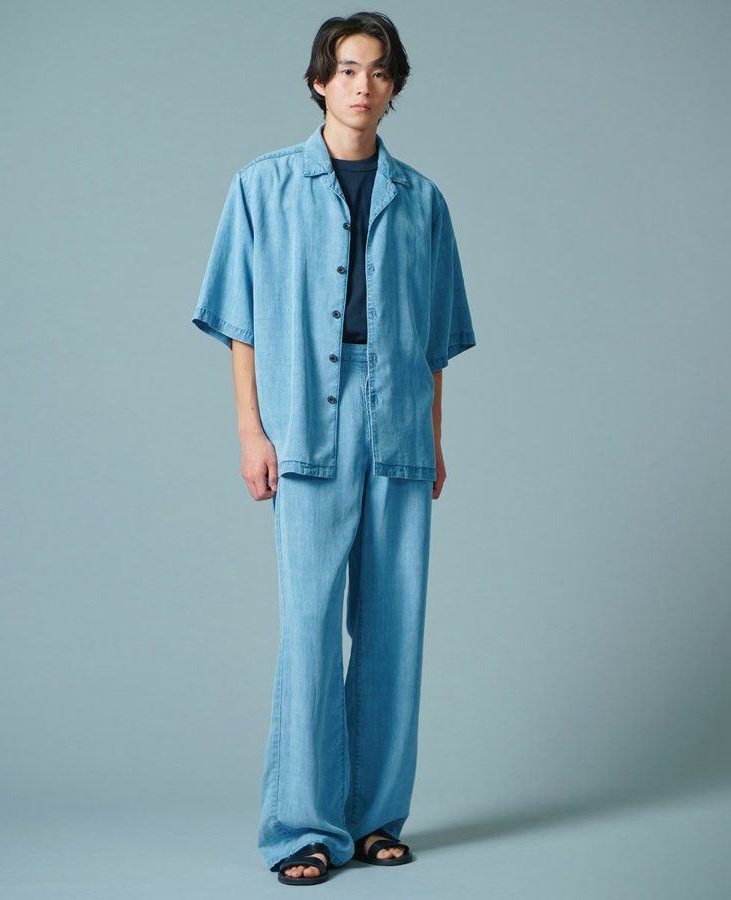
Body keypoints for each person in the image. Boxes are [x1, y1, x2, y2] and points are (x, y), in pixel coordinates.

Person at [191, 11, 476, 886]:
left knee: (395, 626)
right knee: (310, 630)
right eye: (347, 69)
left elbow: (434, 340)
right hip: (304, 419)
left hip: (401, 419)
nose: (362, 84)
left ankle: (376, 818)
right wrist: (251, 430)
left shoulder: (423, 201)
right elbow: (239, 322)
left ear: (394, 88)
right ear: (321, 81)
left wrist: (433, 440)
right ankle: (303, 830)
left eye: (379, 71)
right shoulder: (262, 186)